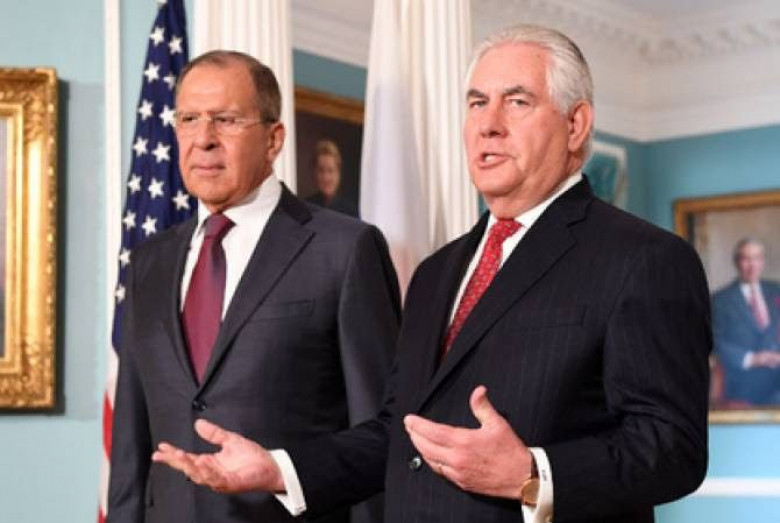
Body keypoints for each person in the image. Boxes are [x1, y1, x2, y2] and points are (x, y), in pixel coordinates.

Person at [153, 25, 712, 523]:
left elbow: (673, 448)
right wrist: (279, 469)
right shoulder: (436, 272)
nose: (488, 125)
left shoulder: (643, 258)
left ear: (576, 125)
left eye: (517, 102)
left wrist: (532, 474)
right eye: (476, 103)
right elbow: (398, 434)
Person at [106, 50, 401, 523]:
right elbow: (130, 447)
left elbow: (382, 433)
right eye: (189, 119)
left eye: (225, 120)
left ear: (273, 138)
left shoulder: (345, 249)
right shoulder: (149, 263)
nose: (203, 139)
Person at [711, 237, 780, 405]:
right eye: (746, 259)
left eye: (757, 258)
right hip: (742, 382)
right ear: (737, 262)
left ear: (762, 261)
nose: (752, 265)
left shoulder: (776, 291)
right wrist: (753, 358)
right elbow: (715, 341)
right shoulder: (721, 300)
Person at [305, 139, 359, 217]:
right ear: (314, 173)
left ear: (338, 173)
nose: (326, 178)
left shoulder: (350, 212)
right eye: (321, 171)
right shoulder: (305, 209)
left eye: (330, 171)